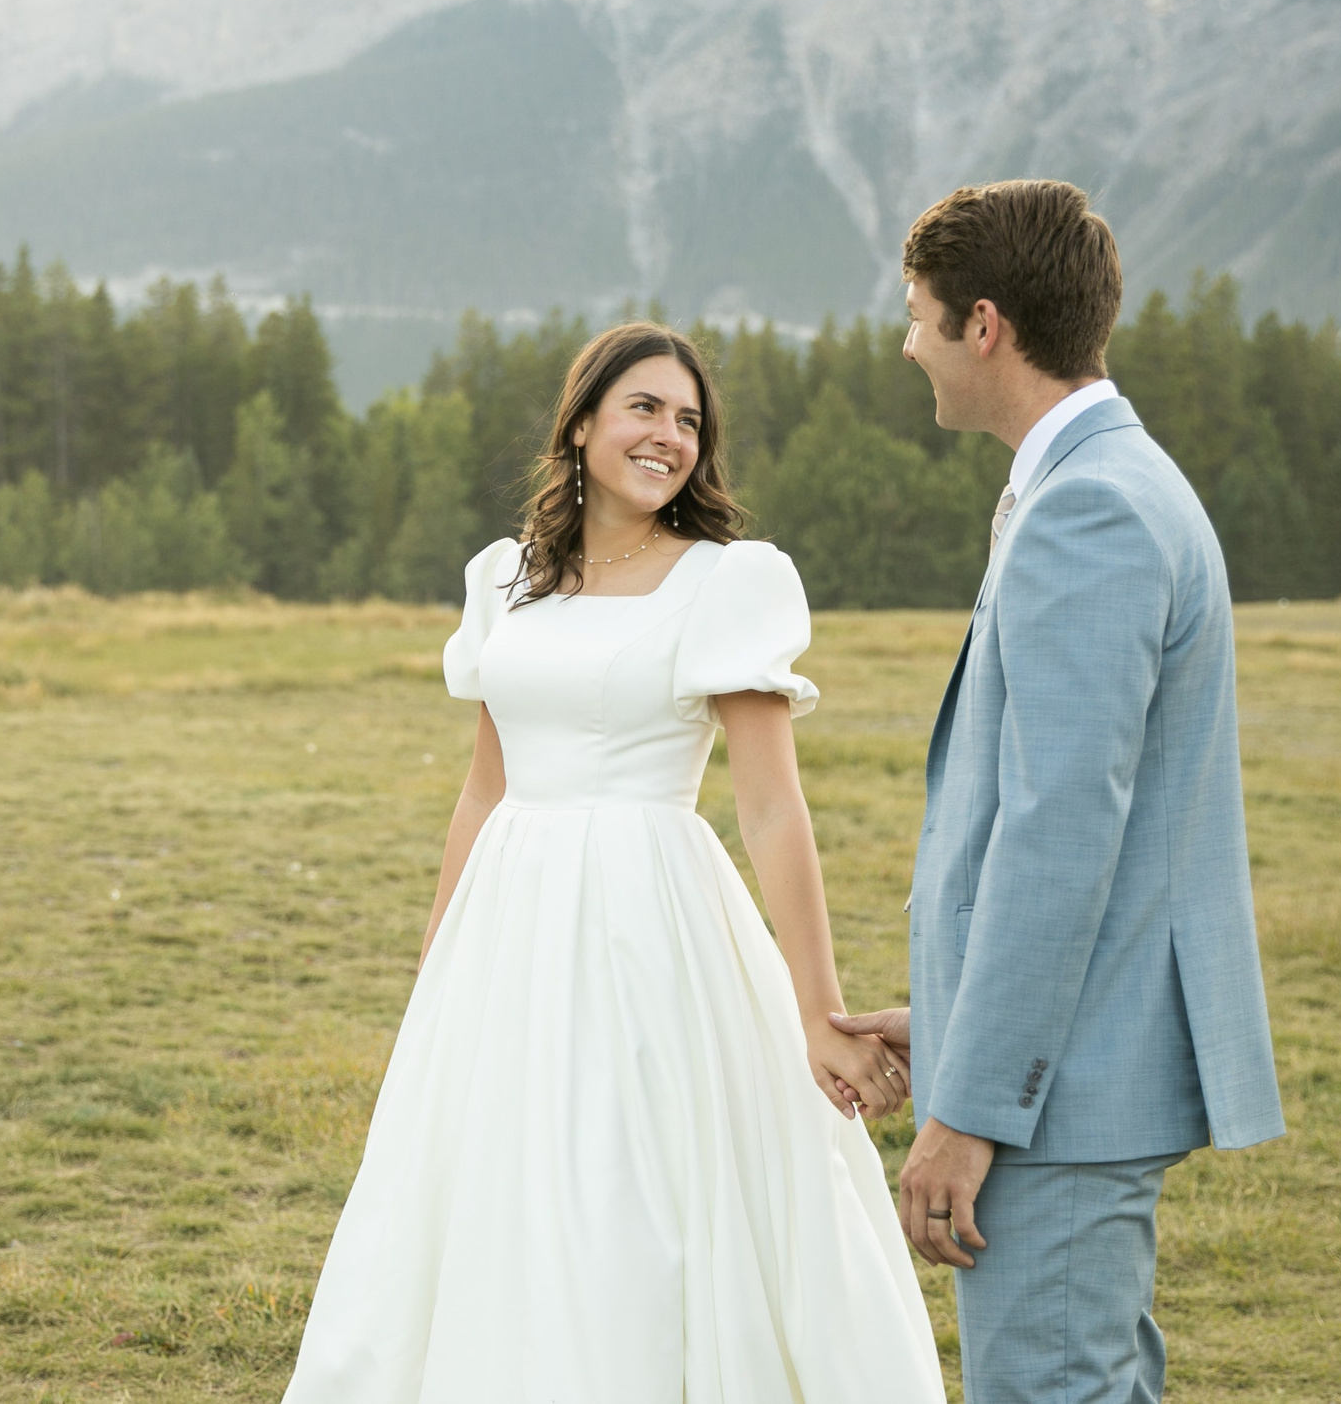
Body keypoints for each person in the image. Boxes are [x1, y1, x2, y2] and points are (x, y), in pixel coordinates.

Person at [284, 322, 945, 1403]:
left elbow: (771, 807)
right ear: (583, 420)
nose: (669, 435)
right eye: (644, 407)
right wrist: (438, 963)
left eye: (689, 420)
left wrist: (816, 1008)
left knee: (632, 1183)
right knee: (497, 1183)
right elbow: (485, 788)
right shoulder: (506, 579)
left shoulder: (725, 582)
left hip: (653, 920)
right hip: (509, 921)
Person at [833, 181, 1285, 1403]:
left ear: (983, 326)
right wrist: (954, 1017)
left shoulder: (1088, 506)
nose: (907, 345)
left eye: (917, 316)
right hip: (1073, 1067)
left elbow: (1059, 838)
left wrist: (972, 1106)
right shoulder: (1105, 478)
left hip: (1059, 1101)